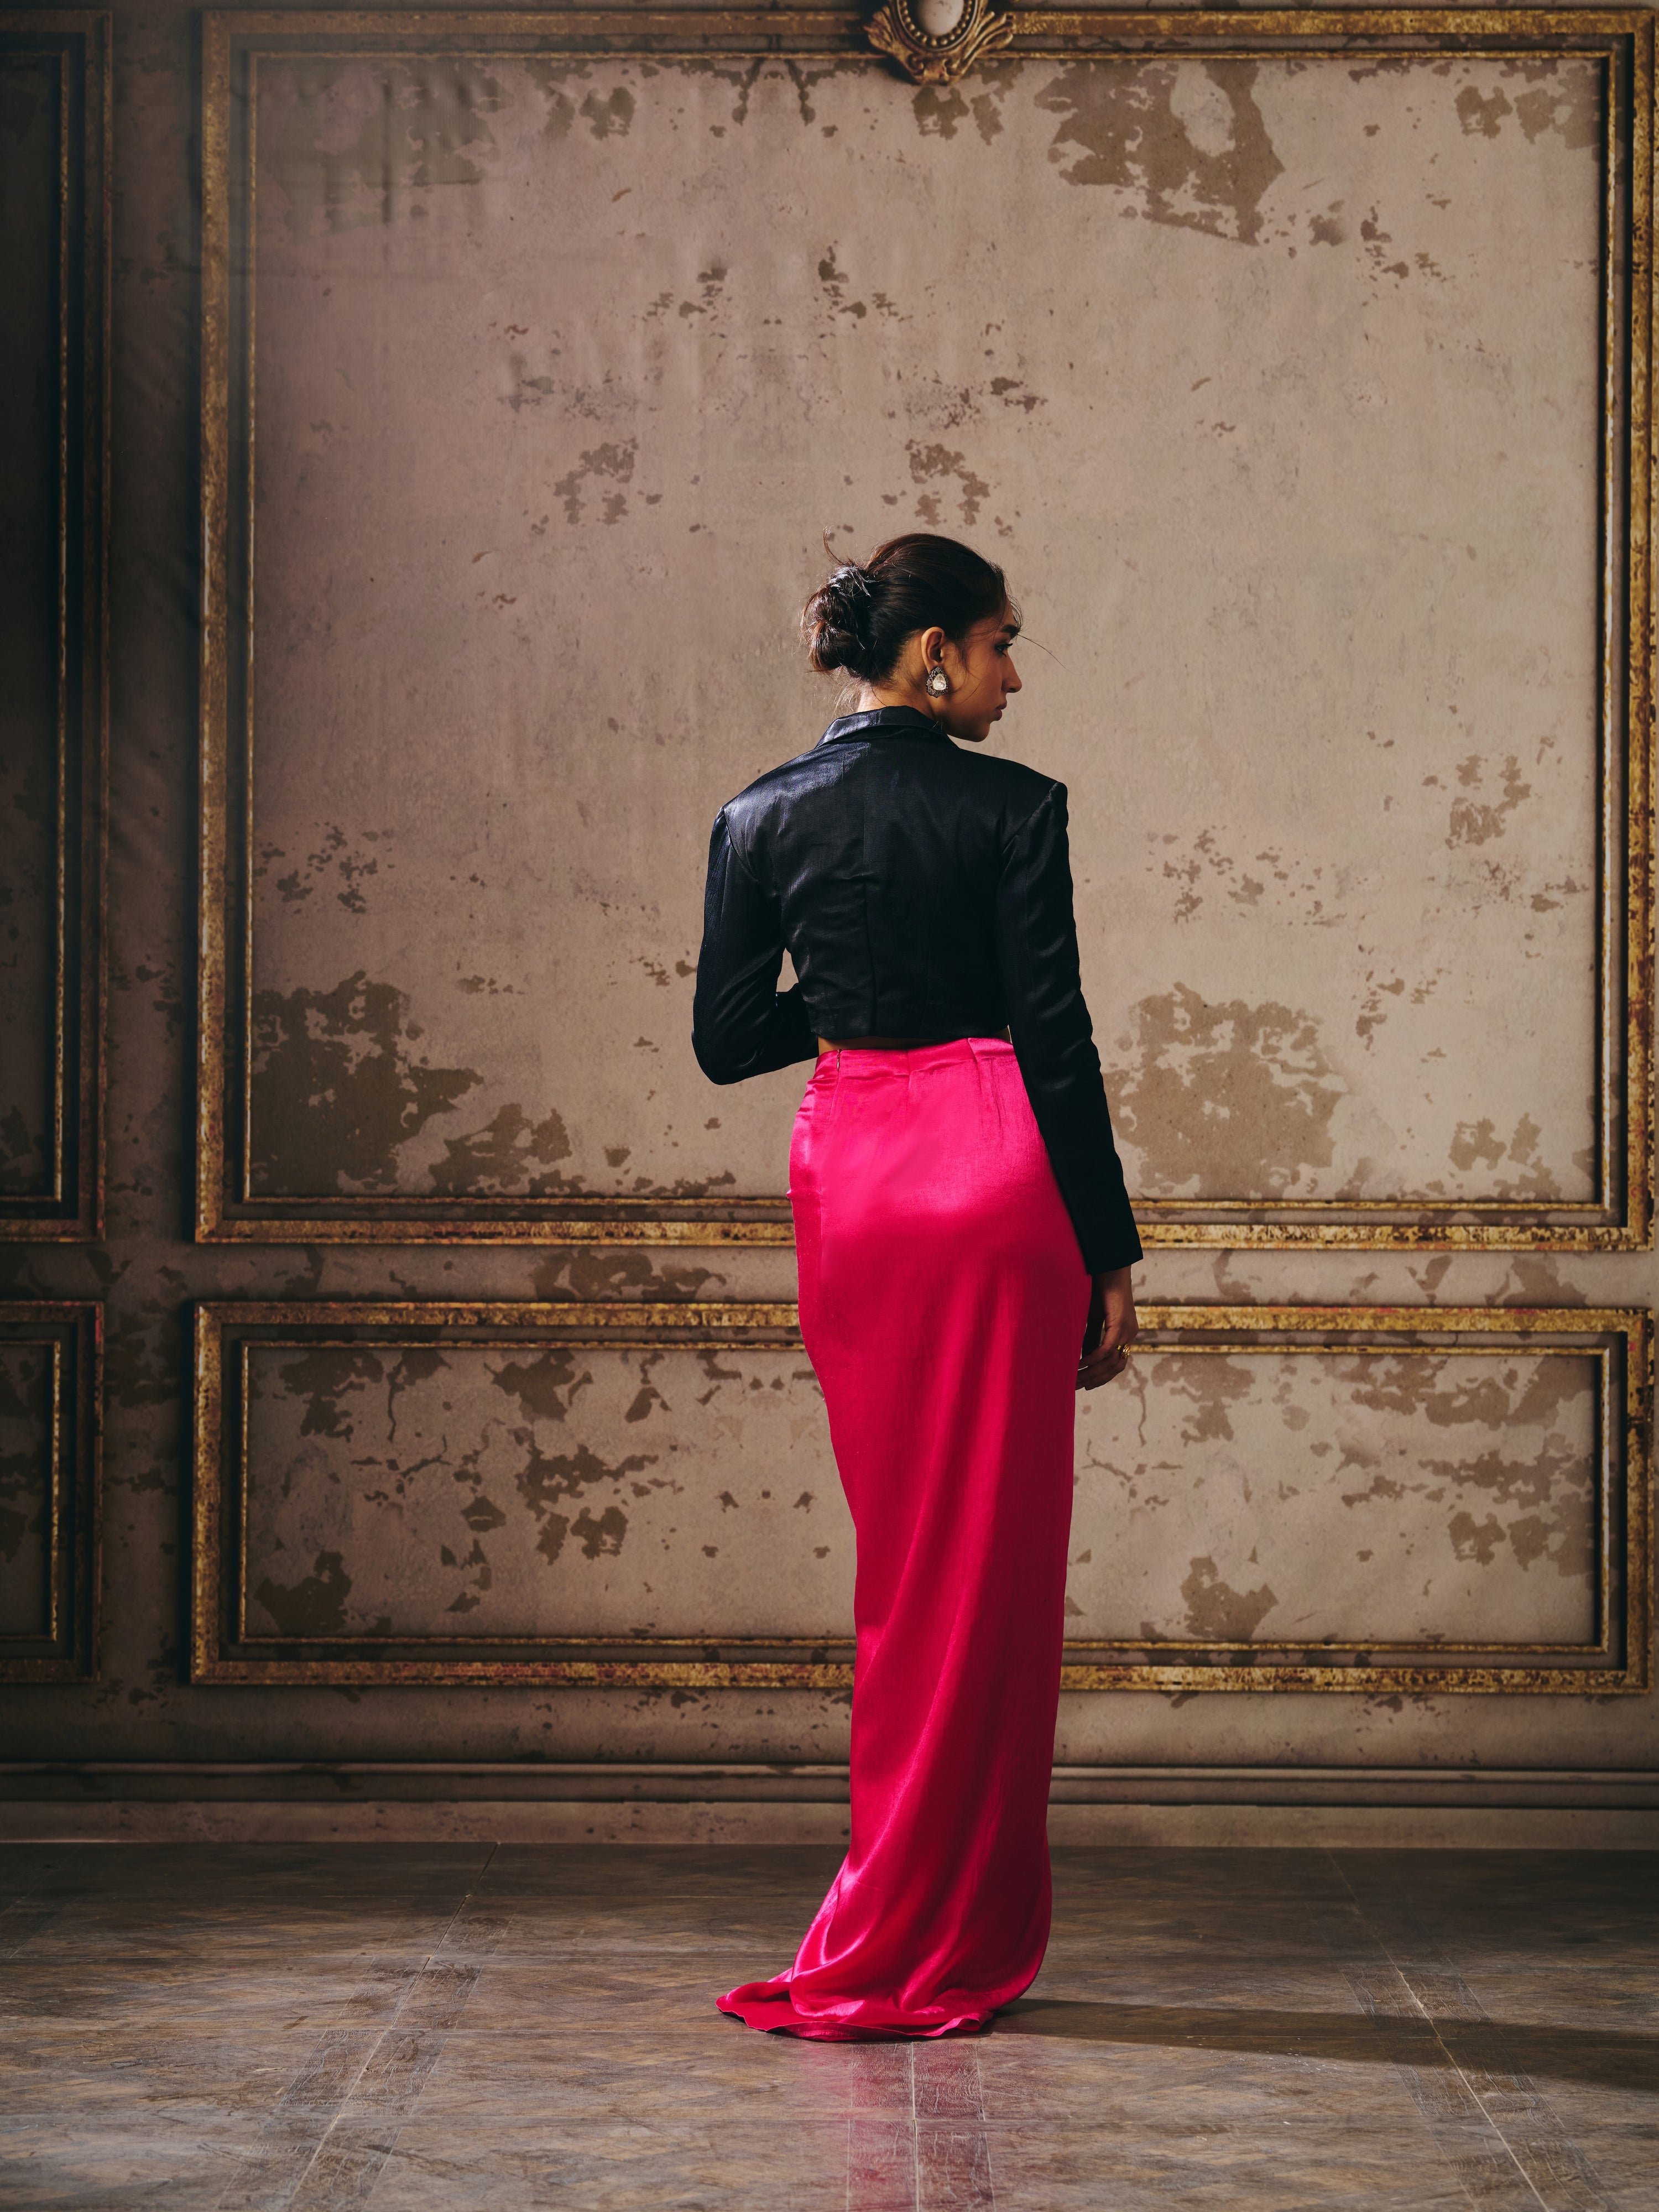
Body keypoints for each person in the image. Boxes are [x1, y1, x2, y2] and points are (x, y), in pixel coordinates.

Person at [692, 531, 1141, 2041]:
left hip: (861, 1178)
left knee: (906, 1556)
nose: (1013, 676)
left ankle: (894, 1905)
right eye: (1002, 644)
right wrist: (1111, 1247)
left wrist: (859, 992)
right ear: (934, 651)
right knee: (990, 1561)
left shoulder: (757, 816)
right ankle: (939, 1923)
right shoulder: (1015, 806)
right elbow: (1056, 1035)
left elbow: (728, 1037)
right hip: (997, 1166)